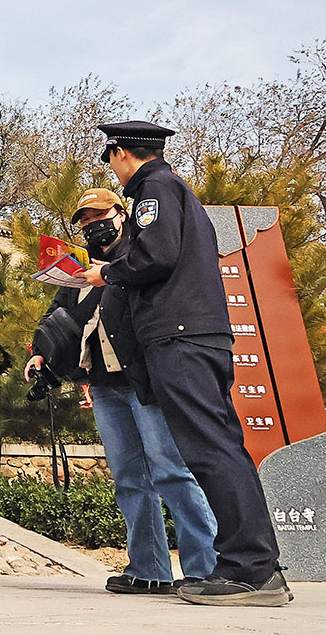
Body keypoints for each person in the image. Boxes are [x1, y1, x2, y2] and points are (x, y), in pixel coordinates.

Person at [78, 121, 291, 607]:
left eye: (110, 157)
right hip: (191, 337)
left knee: (210, 449)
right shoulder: (171, 189)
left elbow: (156, 255)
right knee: (216, 446)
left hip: (180, 338)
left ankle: (251, 571)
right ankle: (251, 565)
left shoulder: (154, 187)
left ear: (121, 154)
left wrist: (106, 272)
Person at [27, 188, 217, 594]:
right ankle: (149, 571)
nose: (92, 225)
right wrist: (41, 352)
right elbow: (58, 316)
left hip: (146, 381)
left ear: (122, 212)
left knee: (172, 473)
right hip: (104, 385)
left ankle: (206, 569)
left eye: (100, 215)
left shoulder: (143, 254)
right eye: (84, 220)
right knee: (130, 478)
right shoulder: (78, 268)